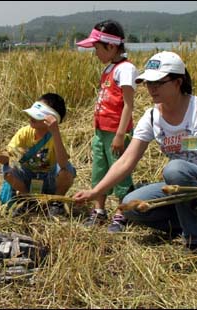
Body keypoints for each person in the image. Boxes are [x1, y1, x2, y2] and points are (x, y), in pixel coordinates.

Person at [74, 51, 197, 250]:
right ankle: (196, 221)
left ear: (178, 82)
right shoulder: (152, 117)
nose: (151, 88)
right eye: (148, 83)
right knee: (130, 207)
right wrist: (95, 191)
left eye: (158, 83)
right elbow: (127, 161)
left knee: (174, 169)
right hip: (180, 189)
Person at [75, 20, 138, 232]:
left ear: (111, 46)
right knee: (99, 170)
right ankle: (99, 210)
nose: (95, 53)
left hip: (115, 132)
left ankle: (122, 213)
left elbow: (129, 105)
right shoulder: (109, 68)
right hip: (101, 131)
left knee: (120, 173)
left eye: (97, 48)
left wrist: (121, 135)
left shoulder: (126, 69)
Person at [0, 93, 76, 216]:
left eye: (37, 115)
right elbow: (9, 155)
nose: (30, 117)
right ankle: (28, 200)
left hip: (49, 179)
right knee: (8, 170)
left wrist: (55, 132)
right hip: (27, 178)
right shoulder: (24, 133)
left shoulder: (57, 137)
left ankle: (56, 201)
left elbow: (63, 163)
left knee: (68, 170)